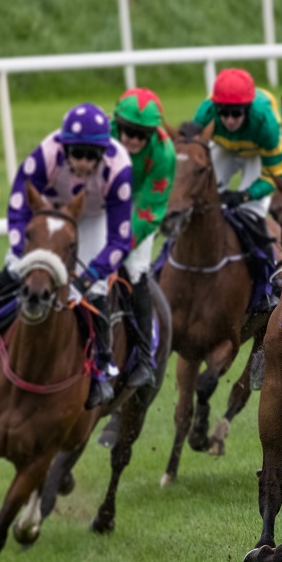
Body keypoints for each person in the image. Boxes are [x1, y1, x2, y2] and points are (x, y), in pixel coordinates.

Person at [0, 103, 134, 410]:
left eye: (91, 155)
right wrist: (21, 253)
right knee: (13, 269)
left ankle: (101, 367)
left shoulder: (119, 169)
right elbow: (17, 208)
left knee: (95, 291)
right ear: (65, 148)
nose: (83, 162)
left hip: (92, 216)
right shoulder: (45, 154)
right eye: (77, 153)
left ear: (103, 152)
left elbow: (119, 240)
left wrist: (88, 277)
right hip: (46, 209)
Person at [110, 87, 175, 389]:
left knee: (135, 268)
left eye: (141, 135)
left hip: (141, 203)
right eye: (128, 131)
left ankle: (144, 360)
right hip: (106, 196)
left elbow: (150, 210)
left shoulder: (164, 152)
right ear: (117, 124)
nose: (133, 140)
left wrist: (119, 246)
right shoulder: (102, 137)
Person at [191, 68, 282, 250]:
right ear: (215, 108)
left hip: (256, 154)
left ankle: (265, 262)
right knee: (201, 195)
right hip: (223, 148)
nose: (229, 120)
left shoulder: (267, 125)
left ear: (248, 110)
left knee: (249, 210)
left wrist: (244, 195)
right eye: (223, 112)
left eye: (236, 113)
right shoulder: (205, 113)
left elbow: (274, 176)